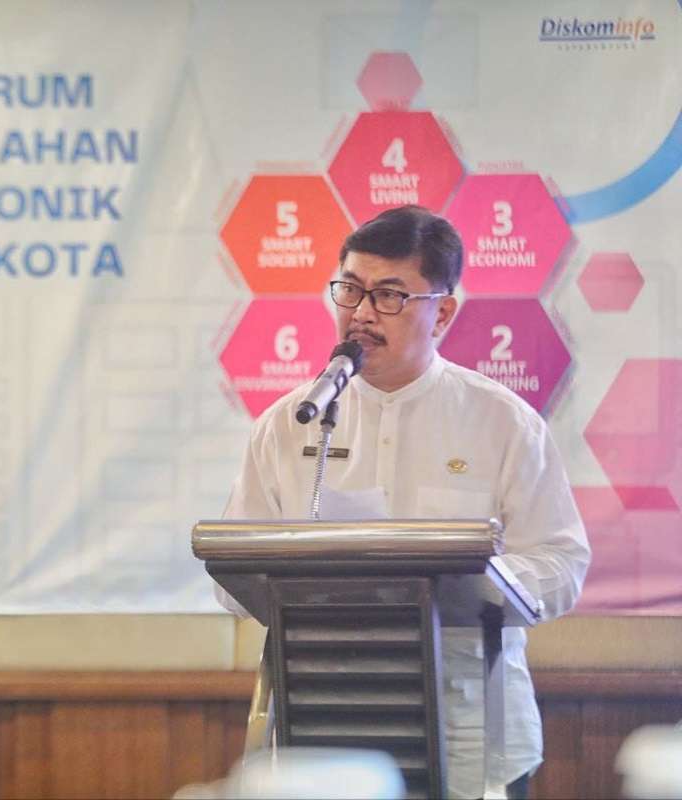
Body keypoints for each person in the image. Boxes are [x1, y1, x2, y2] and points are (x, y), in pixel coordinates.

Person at [220, 205, 591, 799]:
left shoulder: (503, 424)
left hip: (474, 731)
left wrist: (471, 581)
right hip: (324, 725)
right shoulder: (289, 425)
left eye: (390, 295)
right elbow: (232, 576)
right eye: (350, 289)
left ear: (442, 312)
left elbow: (562, 563)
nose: (362, 313)